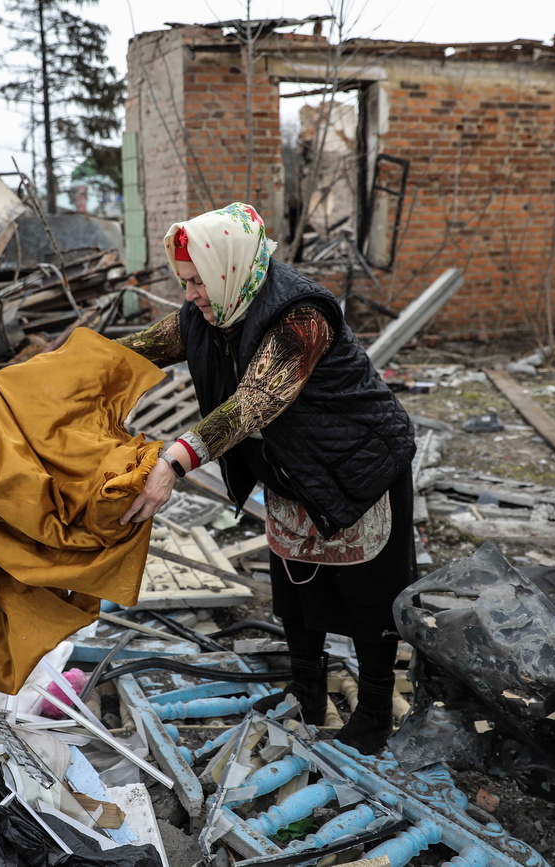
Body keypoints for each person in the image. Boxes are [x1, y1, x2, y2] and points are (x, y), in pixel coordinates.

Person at [115, 202, 417, 754]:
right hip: (293, 469)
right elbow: (133, 352)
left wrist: (173, 461)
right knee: (297, 587)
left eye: (196, 283)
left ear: (225, 268)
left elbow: (256, 401)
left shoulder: (300, 317)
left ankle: (374, 711)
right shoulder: (209, 311)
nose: (189, 295)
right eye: (184, 284)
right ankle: (306, 692)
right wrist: (64, 368)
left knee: (369, 595)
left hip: (357, 464)